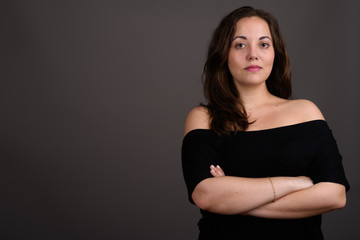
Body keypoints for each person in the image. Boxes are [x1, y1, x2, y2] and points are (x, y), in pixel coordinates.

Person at [181, 6, 350, 240]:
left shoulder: (305, 112)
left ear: (275, 53)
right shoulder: (203, 118)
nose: (253, 54)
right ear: (224, 54)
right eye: (240, 44)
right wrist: (291, 183)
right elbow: (205, 195)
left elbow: (335, 195)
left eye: (263, 44)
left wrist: (234, 201)